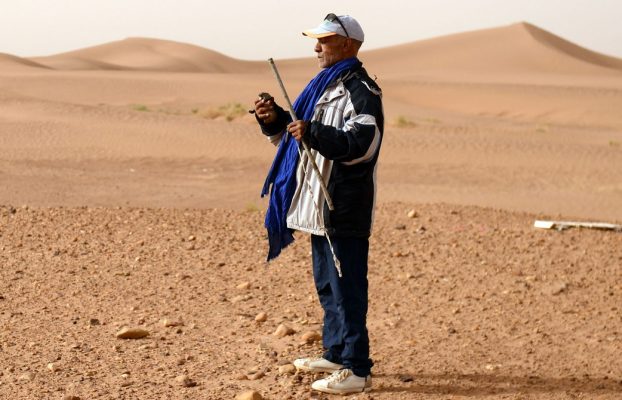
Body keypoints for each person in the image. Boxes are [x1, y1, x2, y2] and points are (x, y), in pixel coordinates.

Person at [253, 13, 383, 395]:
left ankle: (357, 368)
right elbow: (296, 141)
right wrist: (274, 120)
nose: (316, 47)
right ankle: (336, 352)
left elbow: (362, 146)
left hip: (343, 206)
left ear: (347, 45)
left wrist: (314, 131)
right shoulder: (324, 88)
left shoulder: (361, 90)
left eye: (323, 41)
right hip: (317, 207)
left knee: (348, 289)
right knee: (328, 287)